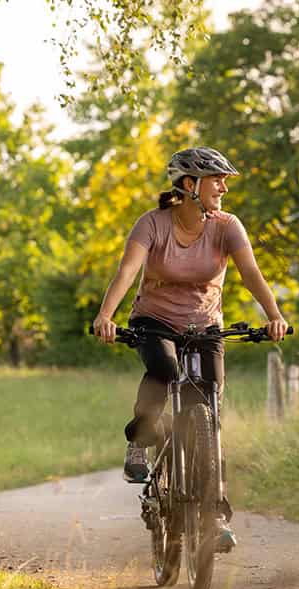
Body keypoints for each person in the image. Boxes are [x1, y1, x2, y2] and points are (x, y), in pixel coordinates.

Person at [92, 146, 288, 549]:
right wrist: (105, 316)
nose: (224, 189)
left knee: (208, 412)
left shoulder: (227, 226)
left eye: (225, 181)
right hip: (154, 320)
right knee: (164, 370)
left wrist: (274, 315)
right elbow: (127, 271)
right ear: (188, 185)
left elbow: (251, 272)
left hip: (205, 326)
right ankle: (140, 439)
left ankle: (214, 516)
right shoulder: (152, 224)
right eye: (217, 180)